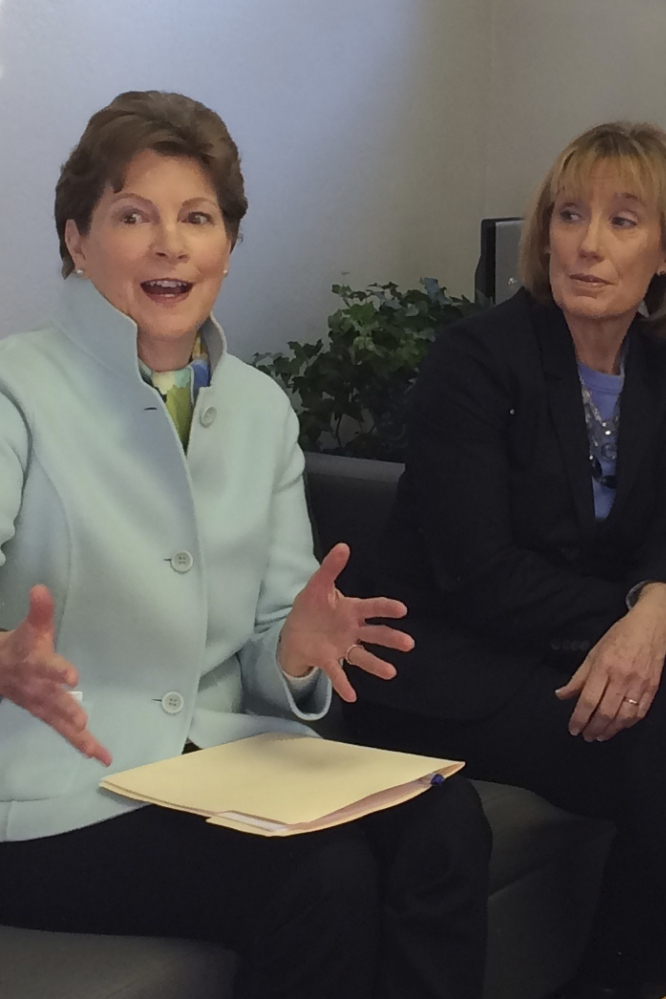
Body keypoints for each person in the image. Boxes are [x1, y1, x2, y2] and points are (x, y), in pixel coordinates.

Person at [0, 90, 491, 999]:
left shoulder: (261, 408)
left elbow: (271, 645)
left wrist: (297, 649)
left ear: (226, 244)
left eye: (198, 217)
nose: (170, 244)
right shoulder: (15, 388)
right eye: (132, 215)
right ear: (76, 239)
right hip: (46, 791)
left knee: (445, 823)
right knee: (319, 877)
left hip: (217, 759)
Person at [344, 122, 666, 998]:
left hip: (549, 655)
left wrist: (656, 614)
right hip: (440, 665)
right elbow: (479, 575)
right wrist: (646, 617)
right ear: (543, 233)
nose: (587, 244)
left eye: (622, 221)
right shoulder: (474, 361)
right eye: (570, 215)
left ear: (664, 253)